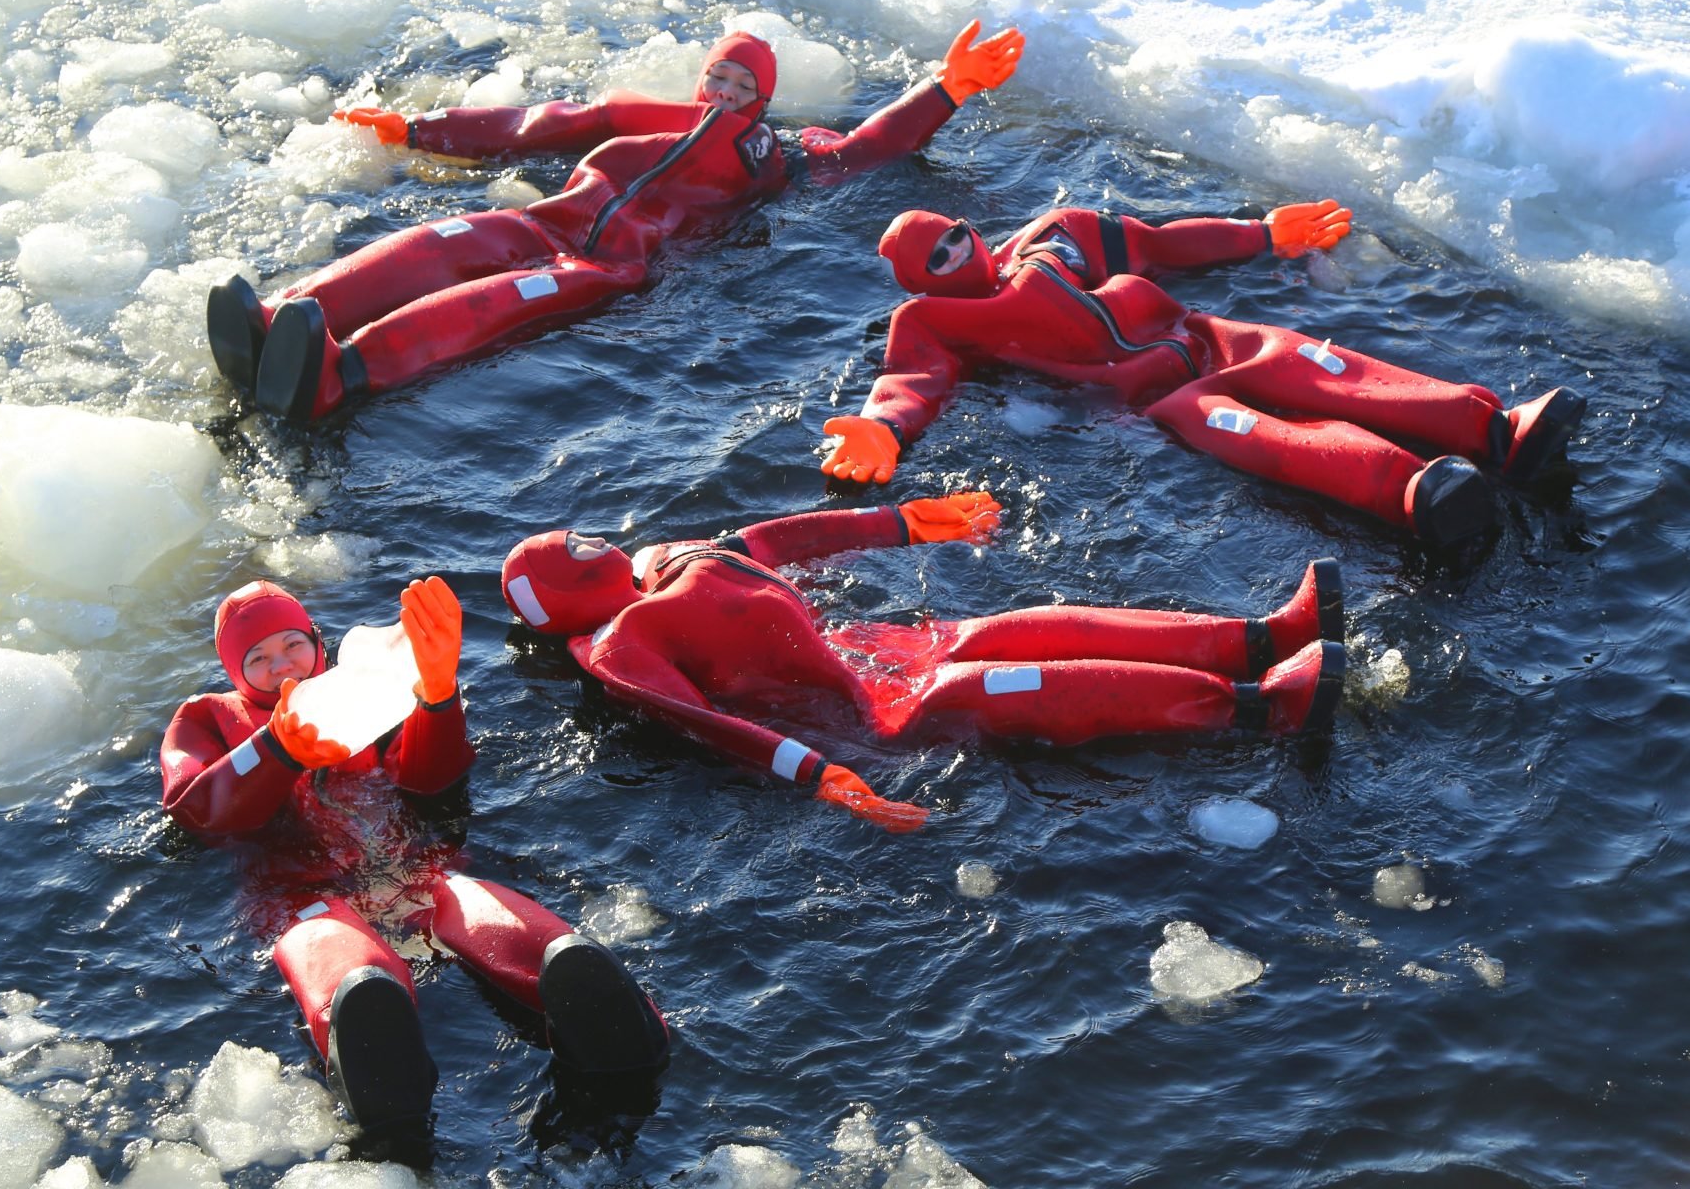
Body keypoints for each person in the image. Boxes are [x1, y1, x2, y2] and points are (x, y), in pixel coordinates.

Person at [209, 22, 1026, 422]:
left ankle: (337, 375)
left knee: (483, 306)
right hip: (544, 226)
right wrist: (420, 130)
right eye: (719, 77)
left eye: (744, 86)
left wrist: (946, 89)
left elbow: (869, 146)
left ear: (766, 100)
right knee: (433, 243)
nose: (726, 93)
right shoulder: (647, 113)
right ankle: (283, 320)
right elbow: (539, 124)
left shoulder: (776, 159)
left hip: (607, 270)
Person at [159, 576, 669, 1162]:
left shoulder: (358, 691)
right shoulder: (208, 719)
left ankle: (609, 1019)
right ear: (235, 673)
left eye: (292, 645)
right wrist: (275, 748)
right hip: (303, 895)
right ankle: (381, 1083)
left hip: (411, 871)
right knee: (356, 980)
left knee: (518, 931)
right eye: (259, 659)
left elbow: (431, 779)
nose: (282, 667)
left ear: (317, 642)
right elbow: (194, 809)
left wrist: (437, 693)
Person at [499, 494, 1346, 833]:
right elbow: (708, 724)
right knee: (986, 685)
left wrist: (909, 520)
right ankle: (1264, 706)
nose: (594, 539)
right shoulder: (619, 650)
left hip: (878, 657)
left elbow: (787, 540)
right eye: (573, 549)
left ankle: (1263, 634)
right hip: (866, 719)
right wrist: (827, 776)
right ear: (564, 592)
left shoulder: (664, 560)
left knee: (1013, 628)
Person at [818, 202, 1588, 547]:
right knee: (1268, 437)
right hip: (1161, 397)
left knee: (1328, 369)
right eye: (939, 258)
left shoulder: (1057, 235)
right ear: (921, 280)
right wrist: (886, 428)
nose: (960, 252)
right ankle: (1411, 492)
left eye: (956, 235)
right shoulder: (933, 320)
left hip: (1209, 339)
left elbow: (1163, 242)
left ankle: (1493, 428)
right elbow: (913, 377)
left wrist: (1259, 233)